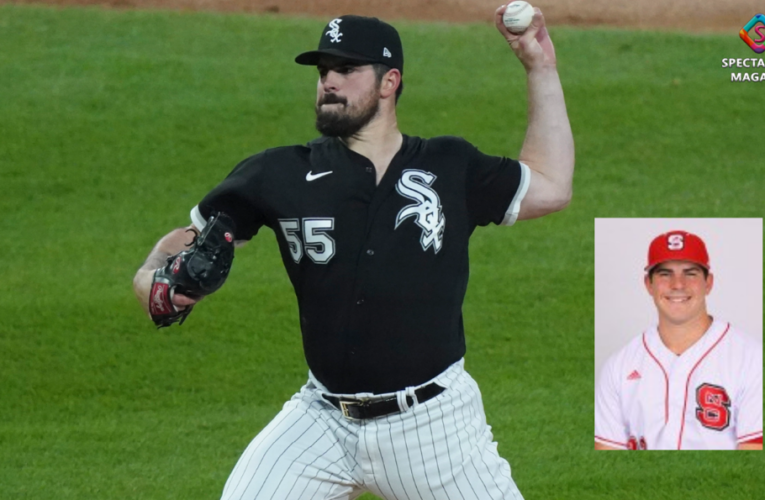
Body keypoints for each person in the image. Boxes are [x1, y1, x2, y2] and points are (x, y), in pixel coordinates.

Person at [133, 6, 574, 498]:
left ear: (389, 82)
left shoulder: (449, 166)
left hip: (433, 426)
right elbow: (185, 239)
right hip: (322, 421)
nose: (329, 83)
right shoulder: (277, 173)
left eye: (346, 70)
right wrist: (154, 278)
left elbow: (551, 185)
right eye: (323, 72)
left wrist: (541, 68)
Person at [595, 230, 763, 451]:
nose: (678, 284)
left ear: (708, 283)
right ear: (648, 284)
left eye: (690, 273)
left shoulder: (752, 359)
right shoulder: (618, 367)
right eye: (665, 274)